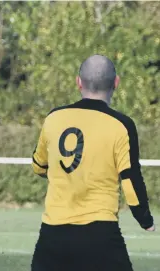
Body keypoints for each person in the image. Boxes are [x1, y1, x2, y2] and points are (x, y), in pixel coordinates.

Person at [30, 54, 156, 271]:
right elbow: (130, 181)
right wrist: (144, 219)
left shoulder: (54, 118)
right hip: (101, 235)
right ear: (116, 83)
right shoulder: (121, 125)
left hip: (53, 235)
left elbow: (38, 166)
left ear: (79, 82)